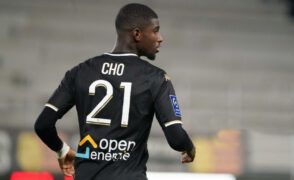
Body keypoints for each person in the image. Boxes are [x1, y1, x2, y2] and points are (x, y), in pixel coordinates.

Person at [34, 3, 195, 179]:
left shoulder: (80, 72)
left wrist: (62, 150)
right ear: (137, 34)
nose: (160, 38)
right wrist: (189, 147)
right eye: (155, 31)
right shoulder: (156, 78)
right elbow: (176, 138)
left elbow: (43, 125)